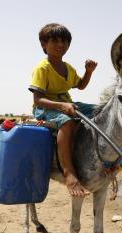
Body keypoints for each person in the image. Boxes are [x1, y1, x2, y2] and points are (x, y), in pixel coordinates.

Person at [28, 23, 98, 197]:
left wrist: (88, 72)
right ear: (44, 44)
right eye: (55, 41)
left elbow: (80, 85)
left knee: (101, 110)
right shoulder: (42, 68)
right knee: (66, 122)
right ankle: (69, 173)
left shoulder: (68, 67)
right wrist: (61, 106)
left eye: (64, 41)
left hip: (68, 104)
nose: (60, 45)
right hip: (46, 108)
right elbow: (37, 99)